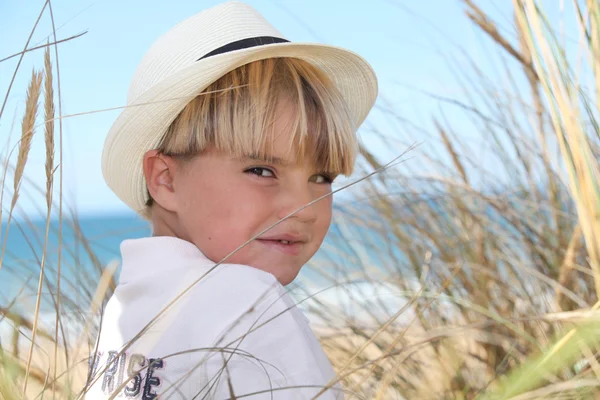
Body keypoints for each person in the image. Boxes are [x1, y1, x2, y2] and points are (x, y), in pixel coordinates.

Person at [87, 1, 377, 399]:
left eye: (321, 177)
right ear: (165, 179)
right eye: (261, 170)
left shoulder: (121, 311)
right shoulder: (248, 302)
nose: (303, 208)